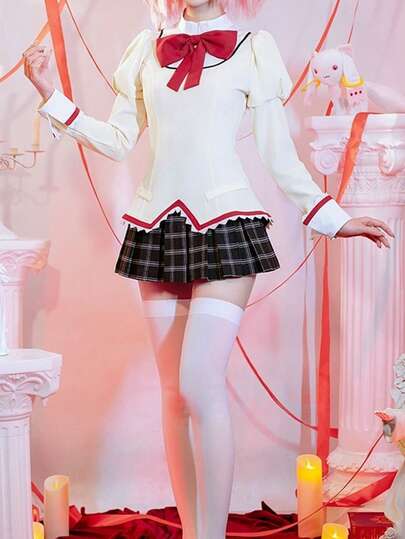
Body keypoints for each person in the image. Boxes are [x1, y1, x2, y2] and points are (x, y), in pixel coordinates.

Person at [23, 1, 394, 537]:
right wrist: (50, 94)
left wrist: (335, 219)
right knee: (174, 396)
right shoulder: (144, 51)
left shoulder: (253, 50)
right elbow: (119, 140)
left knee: (199, 381)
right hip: (157, 228)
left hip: (227, 225)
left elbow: (278, 154)